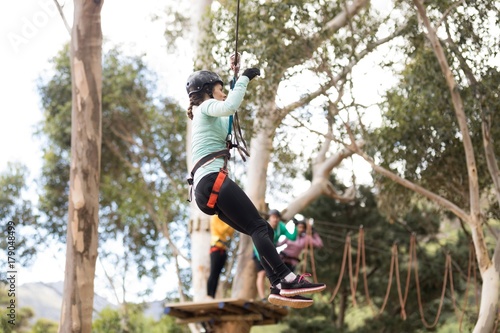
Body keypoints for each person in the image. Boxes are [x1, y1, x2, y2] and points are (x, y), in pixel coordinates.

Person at [185, 68, 326, 308]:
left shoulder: (208, 115)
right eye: (219, 89)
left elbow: (228, 117)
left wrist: (233, 75)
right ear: (207, 91)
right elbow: (229, 106)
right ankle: (288, 278)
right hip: (211, 179)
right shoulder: (205, 107)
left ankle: (278, 284)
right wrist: (244, 79)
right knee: (260, 226)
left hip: (204, 189)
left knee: (260, 231)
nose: (223, 93)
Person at [253, 209, 297, 301]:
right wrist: (262, 258)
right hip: (258, 251)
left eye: (277, 218)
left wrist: (295, 226)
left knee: (274, 274)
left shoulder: (281, 227)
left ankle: (275, 294)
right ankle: (262, 298)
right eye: (273, 217)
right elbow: (256, 241)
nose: (275, 220)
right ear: (270, 218)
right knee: (262, 273)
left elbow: (292, 237)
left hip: (270, 252)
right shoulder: (263, 225)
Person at [207, 215, 235, 298]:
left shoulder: (224, 218)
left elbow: (230, 233)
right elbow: (222, 230)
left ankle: (213, 295)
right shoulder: (215, 217)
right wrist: (230, 221)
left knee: (218, 274)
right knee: (213, 272)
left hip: (223, 249)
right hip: (215, 248)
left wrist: (232, 223)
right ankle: (209, 294)